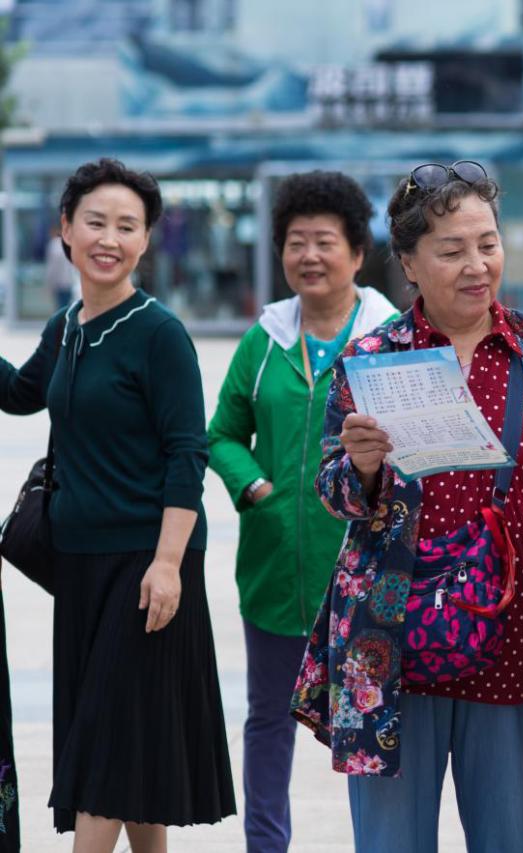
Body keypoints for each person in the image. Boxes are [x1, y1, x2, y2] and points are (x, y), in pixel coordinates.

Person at [289, 160, 523, 853]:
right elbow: (333, 490)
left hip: (512, 635)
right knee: (391, 841)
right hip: (391, 646)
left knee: (509, 837)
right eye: (452, 249)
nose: (477, 264)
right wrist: (363, 467)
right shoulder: (371, 357)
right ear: (407, 260)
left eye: (486, 243)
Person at [0, 158, 235, 850]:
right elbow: (19, 395)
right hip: (80, 571)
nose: (110, 237)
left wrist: (167, 564)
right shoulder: (68, 325)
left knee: (102, 757)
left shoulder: (159, 333)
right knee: (126, 750)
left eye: (127, 226)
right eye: (95, 222)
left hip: (146, 573)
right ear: (65, 229)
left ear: (146, 240)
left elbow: (186, 454)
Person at [207, 171, 398, 853]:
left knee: (366, 725)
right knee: (267, 720)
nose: (308, 256)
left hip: (366, 577)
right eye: (296, 242)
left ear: (355, 252)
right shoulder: (264, 340)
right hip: (273, 573)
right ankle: (266, 844)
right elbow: (223, 430)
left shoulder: (391, 339)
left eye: (324, 241)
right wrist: (252, 485)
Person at [43, 222, 78, 310]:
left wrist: (49, 283)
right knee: (66, 307)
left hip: (59, 283)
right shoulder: (68, 243)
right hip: (69, 282)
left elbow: (52, 268)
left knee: (60, 309)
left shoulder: (54, 245)